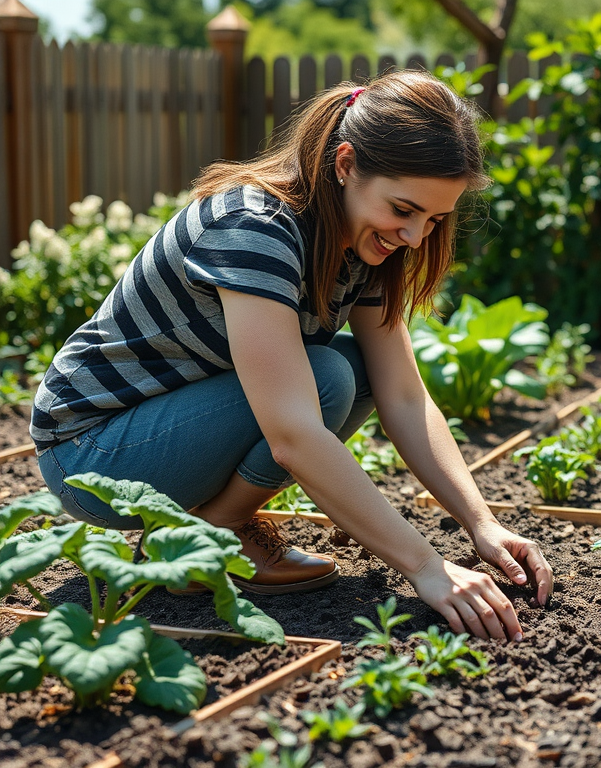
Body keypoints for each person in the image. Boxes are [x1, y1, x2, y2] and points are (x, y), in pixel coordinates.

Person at [31, 70, 552, 643]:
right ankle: (218, 529)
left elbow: (403, 392)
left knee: (356, 371)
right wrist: (427, 568)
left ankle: (206, 527)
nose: (414, 236)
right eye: (403, 209)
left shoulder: (358, 243)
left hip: (161, 431)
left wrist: (481, 521)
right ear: (346, 164)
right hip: (91, 453)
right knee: (327, 377)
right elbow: (294, 435)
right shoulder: (255, 228)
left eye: (432, 220)